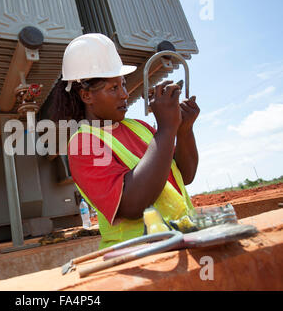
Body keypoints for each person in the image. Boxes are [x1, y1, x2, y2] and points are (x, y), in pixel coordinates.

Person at [46, 33, 200, 249]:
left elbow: (185, 175)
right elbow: (132, 205)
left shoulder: (140, 127)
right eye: (113, 88)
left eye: (123, 85)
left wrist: (183, 130)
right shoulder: (84, 143)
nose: (125, 94)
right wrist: (166, 129)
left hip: (180, 242)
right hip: (139, 255)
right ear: (86, 96)